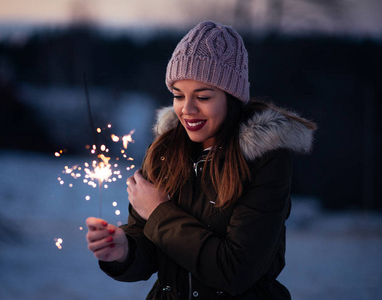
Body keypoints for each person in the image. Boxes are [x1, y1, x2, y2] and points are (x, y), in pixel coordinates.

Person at [86, 21, 316, 299]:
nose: (188, 109)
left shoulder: (264, 160)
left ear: (231, 97)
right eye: (178, 95)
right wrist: (124, 251)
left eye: (203, 96)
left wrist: (159, 212)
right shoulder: (162, 153)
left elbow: (236, 271)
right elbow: (150, 247)